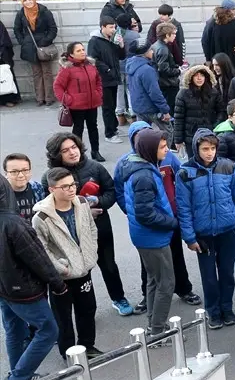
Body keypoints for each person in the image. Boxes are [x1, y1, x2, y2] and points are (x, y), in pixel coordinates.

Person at [42, 133, 133, 316]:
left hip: (100, 228)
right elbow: (49, 206)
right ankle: (83, 310)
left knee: (108, 265)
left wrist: (97, 201)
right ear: (56, 154)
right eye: (65, 150)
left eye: (74, 147)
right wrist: (82, 213)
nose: (72, 152)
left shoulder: (95, 167)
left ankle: (118, 298)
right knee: (79, 272)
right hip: (70, 235)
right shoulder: (50, 177)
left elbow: (111, 192)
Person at [0, 177, 63, 380]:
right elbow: (38, 259)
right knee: (48, 330)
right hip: (23, 289)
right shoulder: (14, 223)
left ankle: (20, 375)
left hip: (4, 288)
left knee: (14, 329)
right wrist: (58, 285)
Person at [177, 128, 235, 329]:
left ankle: (227, 308)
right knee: (209, 277)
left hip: (228, 231)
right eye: (205, 148)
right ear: (196, 149)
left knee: (227, 274)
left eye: (213, 148)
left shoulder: (229, 167)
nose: (209, 152)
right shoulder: (185, 172)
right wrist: (190, 237)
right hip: (203, 235)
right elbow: (183, 208)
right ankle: (213, 311)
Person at [32, 167, 101, 359]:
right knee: (63, 317)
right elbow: (42, 249)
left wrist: (91, 253)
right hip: (61, 275)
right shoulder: (41, 217)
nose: (71, 189)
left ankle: (88, 346)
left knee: (88, 309)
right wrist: (61, 268)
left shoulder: (81, 203)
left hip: (84, 268)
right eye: (65, 186)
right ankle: (69, 352)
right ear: (52, 189)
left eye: (73, 184)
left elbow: (91, 229)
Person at [122, 129, 178, 338]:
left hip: (145, 236)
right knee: (166, 283)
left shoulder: (139, 167)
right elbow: (146, 214)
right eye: (162, 147)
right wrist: (172, 222)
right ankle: (158, 332)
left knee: (154, 280)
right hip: (152, 237)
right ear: (149, 149)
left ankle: (153, 325)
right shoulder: (144, 175)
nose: (166, 150)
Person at [54, 42, 105, 160]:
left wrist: (98, 93)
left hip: (92, 103)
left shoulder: (90, 65)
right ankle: (78, 154)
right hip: (76, 106)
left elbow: (98, 81)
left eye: (83, 49)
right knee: (78, 129)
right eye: (78, 51)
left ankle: (95, 151)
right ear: (71, 54)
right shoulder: (67, 68)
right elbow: (57, 86)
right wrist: (68, 100)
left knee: (93, 127)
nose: (82, 52)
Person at [14, 0, 59, 106]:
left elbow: (53, 28)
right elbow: (17, 30)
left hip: (44, 46)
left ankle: (49, 98)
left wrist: (45, 40)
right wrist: (23, 42)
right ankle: (40, 98)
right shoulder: (21, 14)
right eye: (25, 0)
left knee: (47, 72)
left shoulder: (44, 11)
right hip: (29, 46)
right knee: (36, 73)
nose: (28, 2)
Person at [172, 65, 221, 160]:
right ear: (191, 77)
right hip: (191, 135)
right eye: (196, 75)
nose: (199, 78)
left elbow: (221, 111)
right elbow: (179, 118)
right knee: (194, 161)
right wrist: (178, 140)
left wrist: (215, 126)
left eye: (202, 75)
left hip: (210, 133)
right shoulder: (183, 94)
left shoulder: (213, 92)